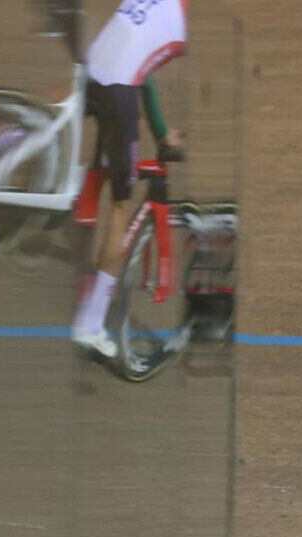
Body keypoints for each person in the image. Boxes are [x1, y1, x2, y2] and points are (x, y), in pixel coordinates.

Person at [70, 0, 188, 359]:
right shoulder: (176, 21)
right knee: (121, 207)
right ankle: (90, 325)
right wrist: (163, 135)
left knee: (101, 160)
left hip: (93, 68)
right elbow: (145, 82)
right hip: (118, 90)